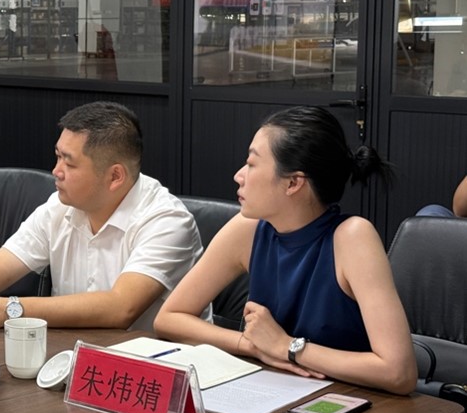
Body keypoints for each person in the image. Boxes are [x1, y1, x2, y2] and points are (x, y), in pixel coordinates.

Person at [155, 106, 417, 395]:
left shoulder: (353, 237)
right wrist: (253, 346)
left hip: (348, 400)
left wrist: (288, 347)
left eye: (252, 164)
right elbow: (169, 318)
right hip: (273, 393)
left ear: (293, 183)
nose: (239, 175)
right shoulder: (248, 228)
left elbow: (399, 372)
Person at [0, 101, 203, 334]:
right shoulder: (59, 207)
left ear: (115, 176)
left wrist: (9, 309)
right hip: (69, 358)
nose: (56, 171)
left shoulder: (167, 221)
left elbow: (121, 307)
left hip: (153, 368)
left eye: (68, 163)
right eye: (57, 156)